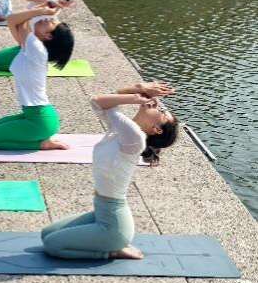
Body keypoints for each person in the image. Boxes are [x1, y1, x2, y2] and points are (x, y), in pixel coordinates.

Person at [41, 82, 178, 260]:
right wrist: (139, 88)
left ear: (156, 129)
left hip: (113, 226)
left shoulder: (135, 137)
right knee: (46, 233)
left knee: (52, 245)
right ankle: (112, 244)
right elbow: (103, 102)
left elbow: (98, 100)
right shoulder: (121, 130)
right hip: (101, 212)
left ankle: (110, 251)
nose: (158, 106)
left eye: (162, 112)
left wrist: (139, 97)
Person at [0, 5, 74, 151]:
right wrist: (42, 8)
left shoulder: (37, 49)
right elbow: (14, 21)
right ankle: (42, 136)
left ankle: (42, 143)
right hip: (36, 116)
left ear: (49, 36)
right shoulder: (32, 49)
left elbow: (18, 21)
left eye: (52, 21)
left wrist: (41, 11)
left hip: (40, 120)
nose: (47, 19)